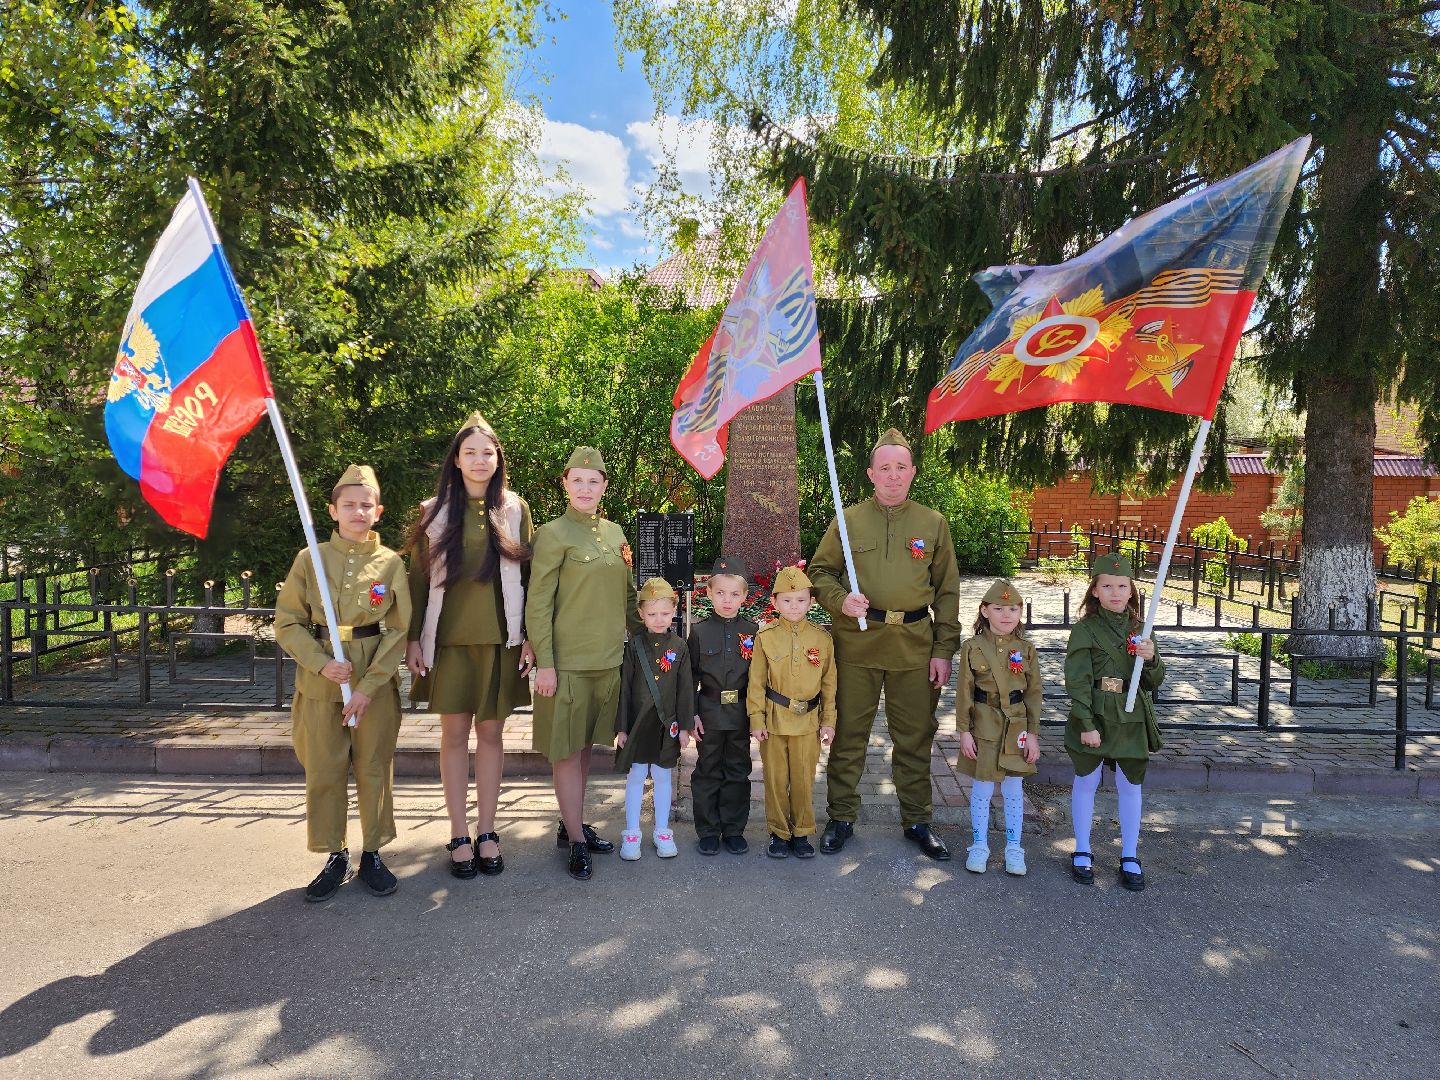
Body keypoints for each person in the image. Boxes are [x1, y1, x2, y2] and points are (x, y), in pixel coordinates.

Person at [809, 428, 962, 860]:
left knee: (914, 738)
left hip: (914, 646)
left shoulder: (933, 523)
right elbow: (820, 572)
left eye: (901, 467)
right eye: (885, 468)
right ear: (871, 474)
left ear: (912, 472)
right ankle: (841, 817)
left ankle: (917, 820)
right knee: (848, 736)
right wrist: (841, 600)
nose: (893, 475)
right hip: (857, 644)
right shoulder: (848, 520)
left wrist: (943, 650)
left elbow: (947, 591)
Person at [404, 412, 534, 880]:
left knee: (492, 735)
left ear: (498, 459)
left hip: (501, 640)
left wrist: (530, 637)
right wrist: (413, 638)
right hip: (450, 641)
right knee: (454, 735)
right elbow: (417, 579)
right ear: (456, 460)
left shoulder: (514, 509)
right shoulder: (433, 511)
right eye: (470, 452)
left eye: (488, 452)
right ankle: (459, 833)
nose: (480, 460)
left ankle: (487, 831)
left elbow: (530, 578)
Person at [273, 464, 411, 902]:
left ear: (378, 512)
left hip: (373, 678)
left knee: (374, 767)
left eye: (366, 505)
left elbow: (399, 629)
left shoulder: (390, 563)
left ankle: (373, 852)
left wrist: (369, 686)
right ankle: (335, 854)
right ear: (333, 511)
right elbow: (287, 622)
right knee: (325, 768)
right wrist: (320, 664)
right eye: (348, 505)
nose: (357, 511)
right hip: (322, 680)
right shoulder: (309, 559)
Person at [525, 446, 641, 880]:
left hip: (607, 661)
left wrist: (653, 636)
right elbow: (538, 603)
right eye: (578, 480)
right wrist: (546, 663)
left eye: (594, 481)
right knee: (566, 752)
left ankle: (570, 823)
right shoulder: (553, 534)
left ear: (604, 486)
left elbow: (628, 597)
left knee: (587, 747)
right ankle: (576, 840)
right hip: (567, 664)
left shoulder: (615, 533)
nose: (586, 488)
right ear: (566, 484)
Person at [1064, 552, 1166, 892]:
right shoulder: (1085, 630)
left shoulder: (1141, 629)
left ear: (1132, 589)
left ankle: (1130, 854)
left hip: (1131, 712)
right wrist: (1086, 723)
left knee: (1130, 784)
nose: (1115, 592)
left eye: (1122, 586)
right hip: (1095, 711)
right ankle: (1082, 849)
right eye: (1107, 586)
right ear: (1095, 591)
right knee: (1087, 779)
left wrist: (1151, 659)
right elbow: (1077, 680)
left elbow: (1154, 680)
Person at [747, 565, 836, 860]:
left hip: (808, 721)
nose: (794, 606)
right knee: (775, 779)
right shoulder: (765, 636)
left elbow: (829, 683)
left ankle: (802, 831)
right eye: (786, 600)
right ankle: (778, 833)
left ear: (812, 602)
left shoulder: (822, 638)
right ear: (774, 602)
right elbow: (756, 683)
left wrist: (828, 721)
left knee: (803, 779)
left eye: (800, 600)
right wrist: (756, 719)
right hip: (774, 721)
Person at [956, 579, 1042, 876]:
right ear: (984, 611)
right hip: (984, 724)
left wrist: (1033, 735)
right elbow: (964, 691)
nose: (1007, 615)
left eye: (1013, 609)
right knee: (982, 788)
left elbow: (1034, 694)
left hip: (1016, 725)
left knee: (1013, 789)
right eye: (999, 608)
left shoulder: (1026, 649)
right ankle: (979, 845)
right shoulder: (972, 647)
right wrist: (964, 731)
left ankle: (1014, 848)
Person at [614, 577, 695, 860]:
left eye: (664, 613)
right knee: (636, 776)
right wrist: (621, 728)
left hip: (666, 724)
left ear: (674, 610)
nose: (659, 619)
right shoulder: (633, 647)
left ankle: (662, 830)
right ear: (641, 614)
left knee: (662, 776)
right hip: (638, 724)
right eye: (651, 614)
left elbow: (686, 689)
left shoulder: (680, 646)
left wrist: (685, 726)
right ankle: (632, 832)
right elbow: (625, 689)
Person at [688, 555, 758, 855]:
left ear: (744, 596)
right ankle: (707, 830)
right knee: (708, 770)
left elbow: (758, 679)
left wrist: (757, 716)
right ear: (709, 593)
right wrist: (691, 714)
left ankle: (732, 829)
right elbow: (689, 677)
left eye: (733, 594)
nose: (727, 600)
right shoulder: (699, 632)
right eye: (720, 593)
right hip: (709, 714)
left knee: (738, 770)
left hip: (740, 713)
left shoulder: (753, 632)